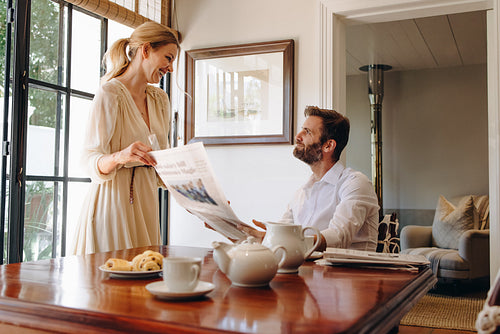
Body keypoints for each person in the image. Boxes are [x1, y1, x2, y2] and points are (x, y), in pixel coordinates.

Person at [71, 22, 181, 255]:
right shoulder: (110, 93)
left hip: (147, 205)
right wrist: (121, 156)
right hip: (113, 204)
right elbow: (88, 159)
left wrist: (203, 197)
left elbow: (164, 163)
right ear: (146, 50)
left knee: (145, 280)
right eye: (168, 58)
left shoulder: (160, 99)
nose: (170, 68)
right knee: (113, 285)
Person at [241, 106, 380, 252]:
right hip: (311, 272)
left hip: (353, 273)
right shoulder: (302, 192)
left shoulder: (356, 183)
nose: (298, 136)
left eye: (307, 132)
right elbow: (278, 237)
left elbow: (338, 237)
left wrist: (280, 238)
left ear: (328, 145)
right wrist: (227, 225)